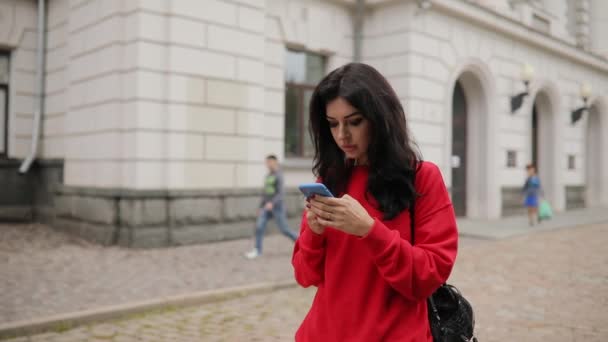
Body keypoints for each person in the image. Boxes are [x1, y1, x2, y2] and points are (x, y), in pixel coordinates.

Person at [292, 63, 458, 341]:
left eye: (354, 121)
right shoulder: (330, 179)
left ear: (380, 118)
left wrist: (370, 231)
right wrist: (314, 233)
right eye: (333, 124)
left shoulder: (422, 177)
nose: (342, 135)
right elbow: (305, 275)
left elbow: (429, 275)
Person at [245, 155, 299, 259]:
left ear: (274, 162)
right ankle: (257, 250)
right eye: (266, 162)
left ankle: (301, 242)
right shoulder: (268, 176)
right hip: (266, 207)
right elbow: (265, 193)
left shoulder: (279, 175)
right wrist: (260, 207)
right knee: (259, 227)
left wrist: (272, 203)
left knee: (284, 229)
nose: (267, 164)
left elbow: (281, 193)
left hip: (277, 207)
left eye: (269, 162)